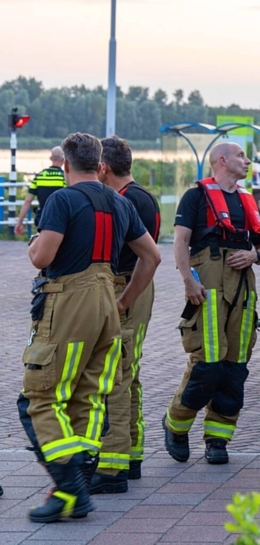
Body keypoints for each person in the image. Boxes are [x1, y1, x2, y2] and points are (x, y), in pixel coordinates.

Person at [18, 132, 160, 523]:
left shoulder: (62, 199)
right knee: (86, 395)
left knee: (38, 398)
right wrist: (124, 301)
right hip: (106, 304)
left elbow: (41, 256)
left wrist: (33, 243)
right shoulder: (118, 201)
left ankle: (70, 487)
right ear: (100, 165)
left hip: (67, 300)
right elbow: (151, 256)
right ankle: (77, 483)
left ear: (65, 164)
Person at [163, 142, 260, 466]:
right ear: (222, 161)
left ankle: (218, 440)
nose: (248, 161)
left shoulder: (248, 201)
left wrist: (254, 254)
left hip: (243, 288)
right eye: (241, 156)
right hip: (206, 286)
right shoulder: (195, 197)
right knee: (208, 362)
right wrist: (187, 280)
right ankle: (176, 423)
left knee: (235, 367)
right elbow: (180, 241)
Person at [90, 136, 161, 493]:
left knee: (113, 376)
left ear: (103, 167)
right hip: (136, 289)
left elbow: (140, 258)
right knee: (128, 374)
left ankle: (111, 467)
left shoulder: (126, 202)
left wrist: (121, 302)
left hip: (126, 289)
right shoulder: (142, 196)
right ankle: (131, 455)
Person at [15, 147, 66, 236]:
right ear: (63, 159)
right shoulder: (64, 178)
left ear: (50, 159)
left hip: (42, 218)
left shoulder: (39, 177)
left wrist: (19, 222)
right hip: (60, 219)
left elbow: (28, 201)